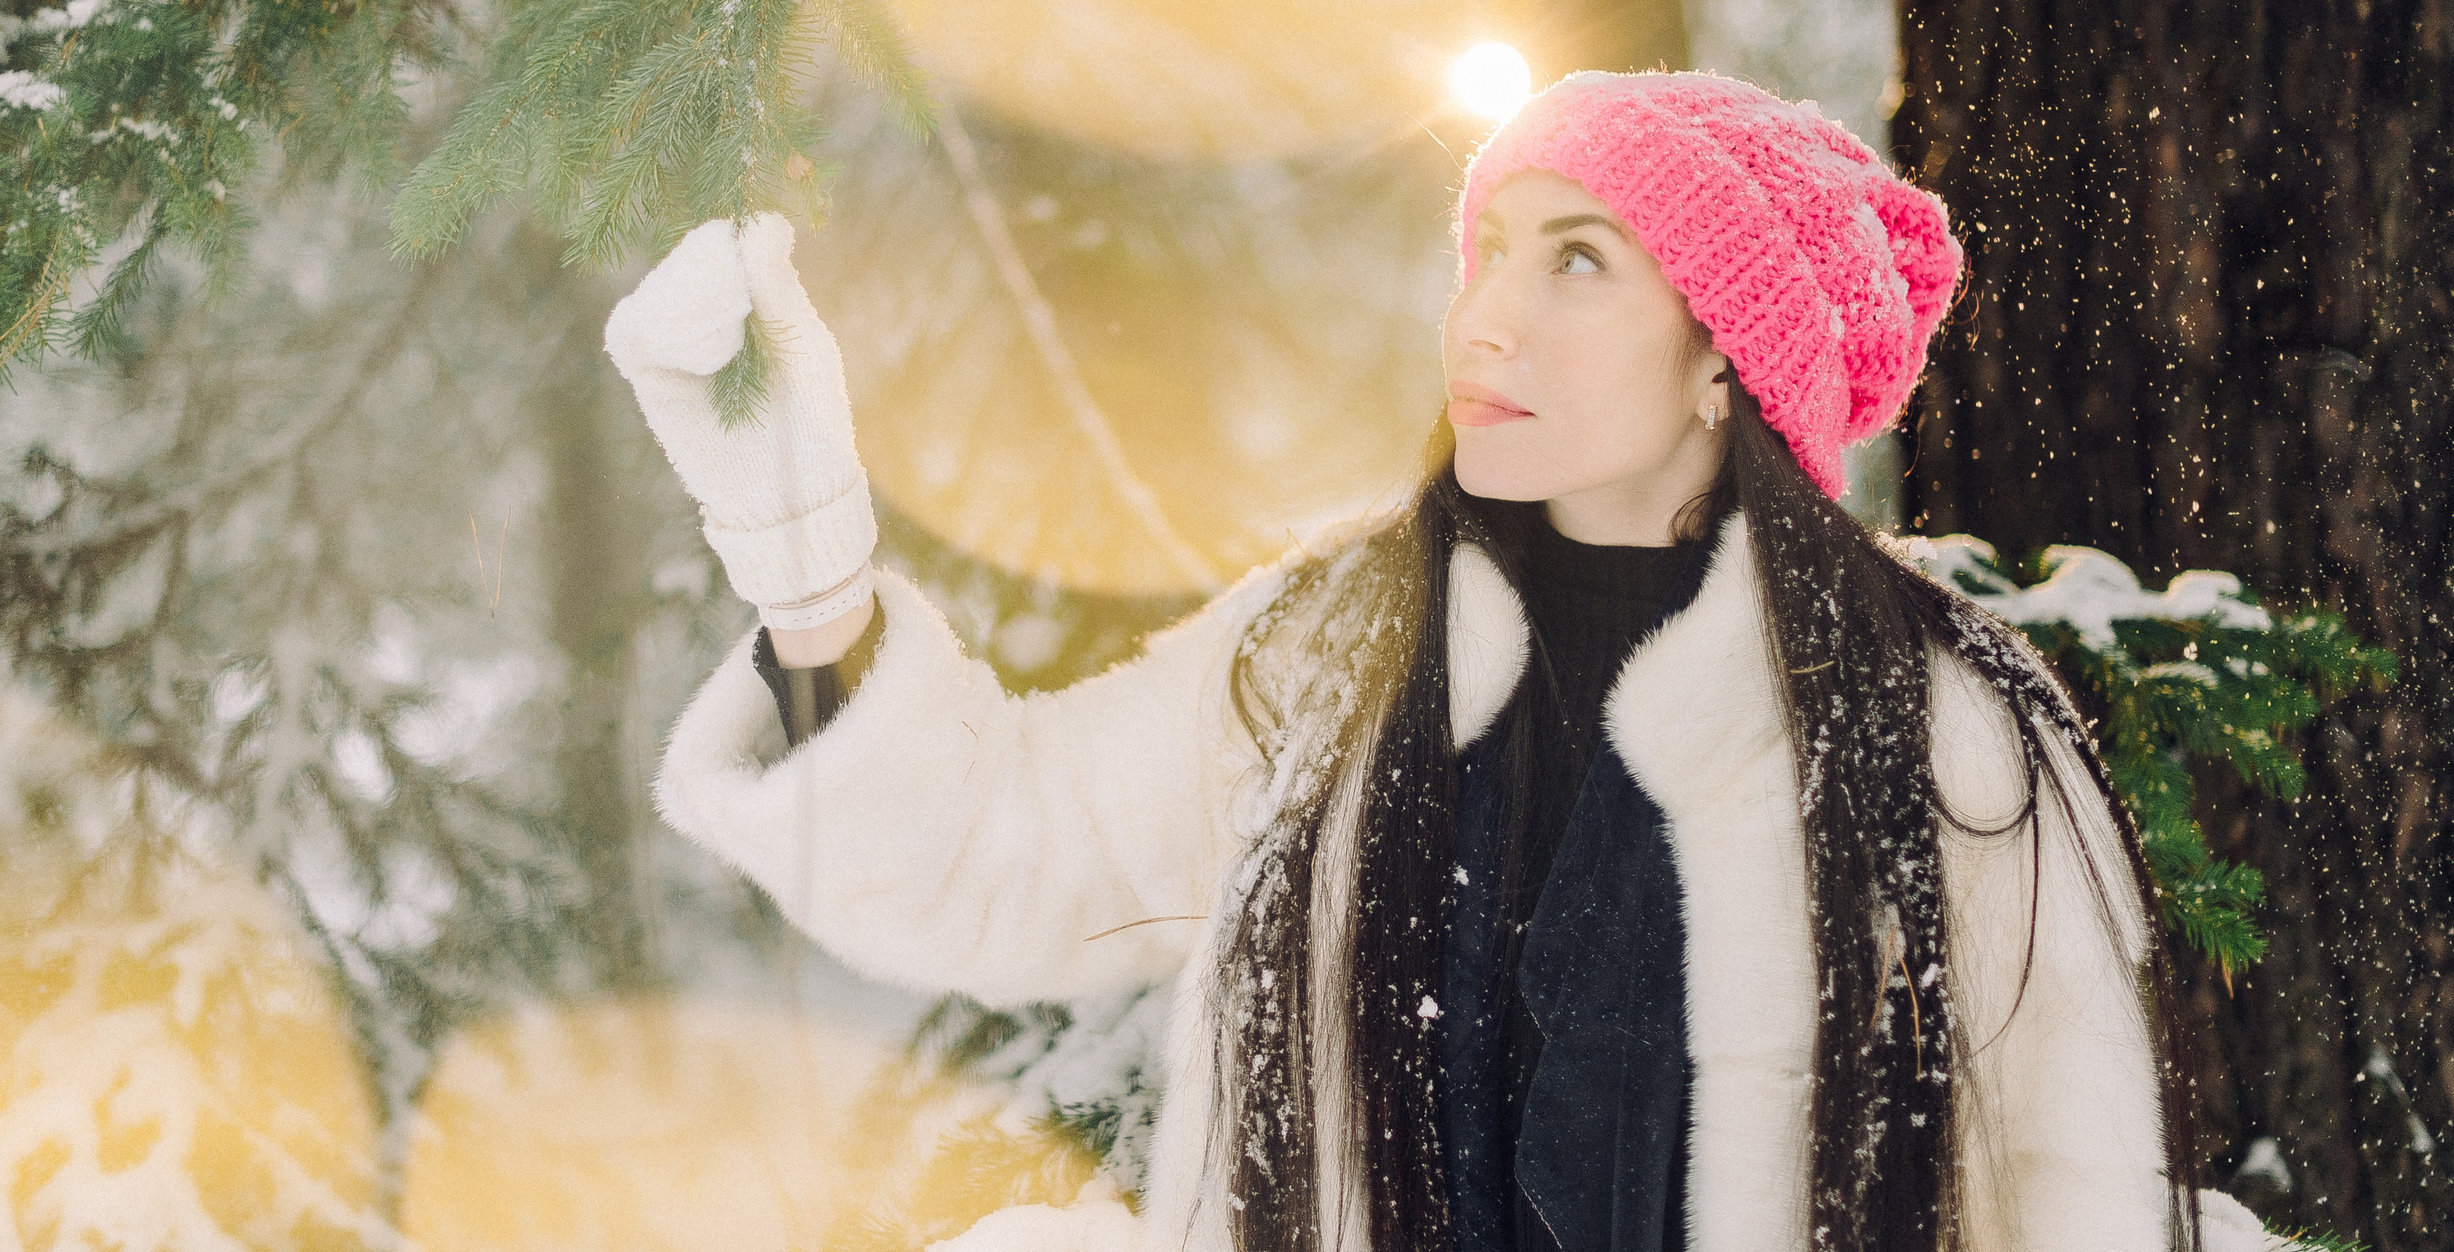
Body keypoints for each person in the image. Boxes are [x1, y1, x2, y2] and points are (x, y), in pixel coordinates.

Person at [609, 72, 2287, 1252]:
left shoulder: (1945, 734)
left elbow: (2072, 1210)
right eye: (1488, 252)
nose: (1482, 314)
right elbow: (994, 854)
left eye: (1574, 263)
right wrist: (806, 552)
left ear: (1728, 365)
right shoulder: (1338, 650)